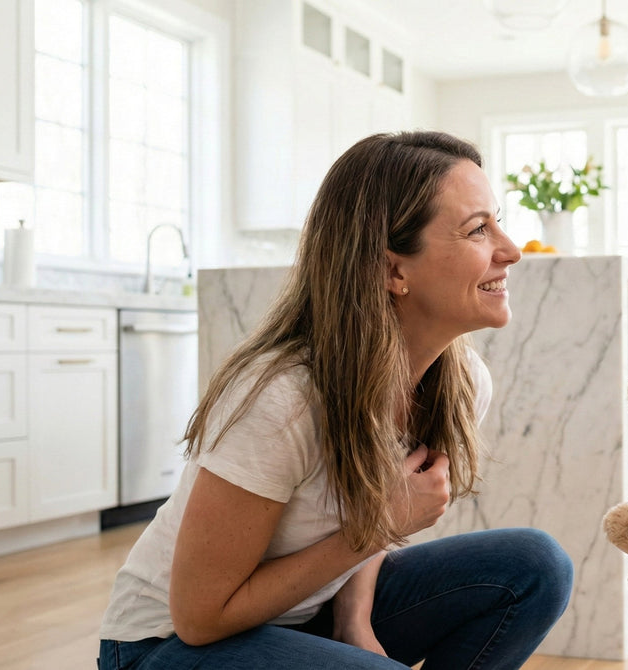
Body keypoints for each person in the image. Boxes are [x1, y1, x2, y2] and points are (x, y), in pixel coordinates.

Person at [97, 131, 574, 670]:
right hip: (163, 645)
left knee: (536, 566)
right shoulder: (284, 398)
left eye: (497, 222)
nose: (510, 250)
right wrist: (380, 527)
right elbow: (200, 616)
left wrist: (355, 618)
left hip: (304, 613)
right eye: (478, 230)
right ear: (395, 270)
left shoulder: (458, 382)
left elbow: (365, 508)